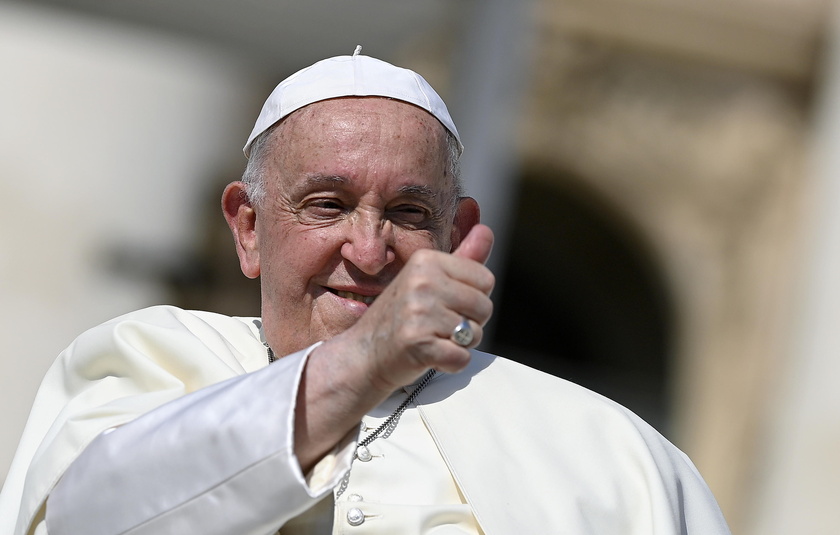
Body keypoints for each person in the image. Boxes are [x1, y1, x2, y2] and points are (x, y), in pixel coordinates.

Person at [0, 47, 731, 534]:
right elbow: (88, 519)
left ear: (457, 231)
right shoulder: (146, 361)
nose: (370, 249)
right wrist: (365, 360)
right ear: (248, 228)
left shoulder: (615, 452)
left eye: (410, 213)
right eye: (327, 204)